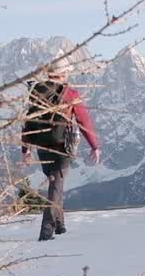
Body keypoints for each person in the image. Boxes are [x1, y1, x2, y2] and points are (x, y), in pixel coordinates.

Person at [20, 63, 100, 241]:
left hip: (43, 146)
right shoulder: (70, 94)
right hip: (63, 147)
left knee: (55, 184)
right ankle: (46, 232)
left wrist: (26, 150)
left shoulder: (35, 92)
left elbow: (27, 123)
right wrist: (94, 146)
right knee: (55, 188)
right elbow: (84, 122)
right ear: (63, 74)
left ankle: (60, 225)